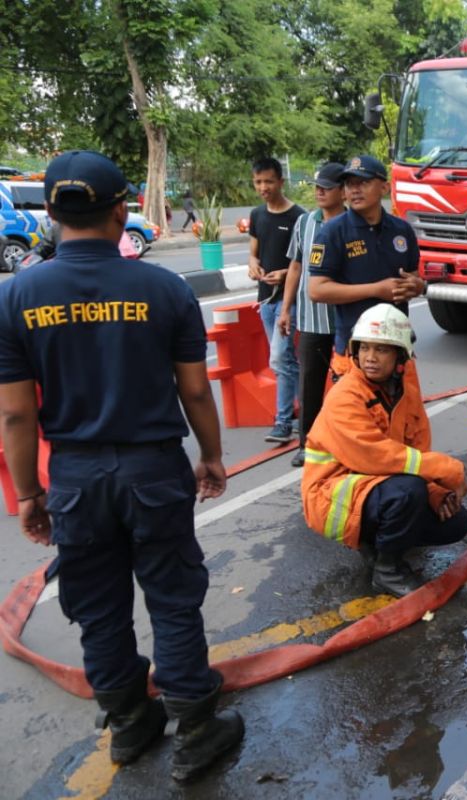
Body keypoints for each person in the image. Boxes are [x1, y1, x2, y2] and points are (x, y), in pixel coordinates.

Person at [0, 151, 243, 782]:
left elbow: (18, 417)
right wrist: (211, 456)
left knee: (98, 605)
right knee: (172, 597)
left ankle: (131, 726)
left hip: (76, 480)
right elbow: (195, 392)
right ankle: (195, 730)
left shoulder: (17, 295)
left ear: (49, 213)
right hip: (154, 470)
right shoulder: (164, 289)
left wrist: (30, 493)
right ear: (122, 211)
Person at [301, 304, 467, 595]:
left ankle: (379, 546)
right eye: (364, 348)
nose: (370, 357)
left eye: (381, 350)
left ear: (400, 357)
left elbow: (415, 448)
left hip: (373, 488)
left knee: (456, 522)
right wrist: (445, 470)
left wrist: (436, 491)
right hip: (331, 497)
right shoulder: (346, 395)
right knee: (407, 492)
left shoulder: (404, 393)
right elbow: (375, 456)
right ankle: (387, 570)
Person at [308, 154, 425, 378]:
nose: (355, 190)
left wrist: (417, 286)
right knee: (356, 413)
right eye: (350, 184)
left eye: (363, 182)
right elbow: (316, 290)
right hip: (356, 350)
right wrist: (376, 289)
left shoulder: (402, 230)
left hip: (398, 346)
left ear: (384, 187)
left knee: (404, 412)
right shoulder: (332, 232)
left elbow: (413, 277)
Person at [280, 163, 343, 468]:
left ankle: (348, 441)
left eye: (327, 187)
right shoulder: (305, 223)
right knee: (310, 383)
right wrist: (285, 309)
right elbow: (295, 266)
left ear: (342, 191)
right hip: (310, 319)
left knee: (349, 383)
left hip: (346, 319)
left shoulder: (352, 224)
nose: (319, 191)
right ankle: (307, 444)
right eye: (317, 186)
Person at [248, 157, 305, 444]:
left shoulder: (299, 217)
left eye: (269, 181)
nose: (263, 187)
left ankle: (283, 422)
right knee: (286, 361)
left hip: (290, 300)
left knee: (280, 359)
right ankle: (307, 417)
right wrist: (253, 266)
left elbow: (305, 263)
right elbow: (253, 252)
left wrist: (285, 274)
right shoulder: (257, 215)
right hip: (265, 301)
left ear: (281, 181)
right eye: (258, 182)